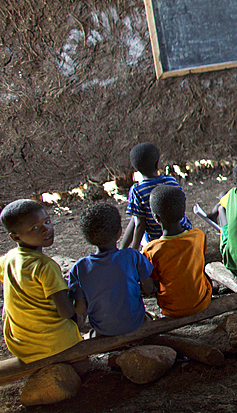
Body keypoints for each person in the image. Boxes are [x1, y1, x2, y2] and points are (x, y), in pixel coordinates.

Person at [0, 199, 82, 363]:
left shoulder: (10, 258)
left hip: (21, 345)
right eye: (35, 227)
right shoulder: (45, 266)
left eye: (47, 221)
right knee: (81, 295)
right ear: (15, 236)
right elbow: (67, 313)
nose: (46, 229)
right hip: (55, 344)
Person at [68, 202, 154, 336]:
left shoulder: (80, 268)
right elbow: (148, 288)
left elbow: (80, 309)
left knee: (93, 333)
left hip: (104, 331)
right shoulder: (132, 256)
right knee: (148, 318)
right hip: (135, 325)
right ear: (119, 232)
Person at [143, 185, 212, 318]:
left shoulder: (152, 250)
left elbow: (153, 284)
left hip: (172, 310)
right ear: (183, 212)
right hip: (202, 302)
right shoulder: (198, 236)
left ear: (156, 218)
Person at [121, 142, 192, 249]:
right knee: (136, 215)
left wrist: (134, 251)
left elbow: (140, 225)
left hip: (158, 239)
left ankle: (122, 249)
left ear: (136, 169)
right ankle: (123, 249)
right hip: (184, 231)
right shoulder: (171, 181)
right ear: (157, 164)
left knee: (137, 216)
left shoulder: (137, 190)